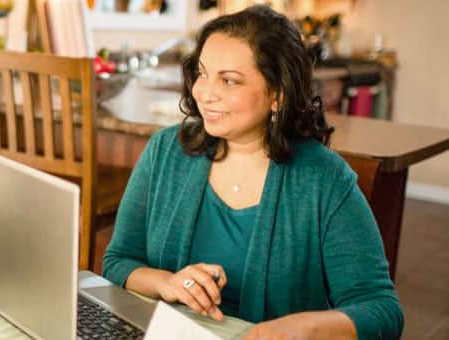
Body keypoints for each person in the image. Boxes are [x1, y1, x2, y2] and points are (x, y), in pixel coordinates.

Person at [103, 5, 402, 339]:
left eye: (229, 80)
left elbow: (381, 310)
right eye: (202, 73)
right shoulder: (165, 152)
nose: (205, 93)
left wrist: (306, 327)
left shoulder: (324, 179)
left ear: (277, 94)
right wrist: (168, 283)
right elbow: (118, 261)